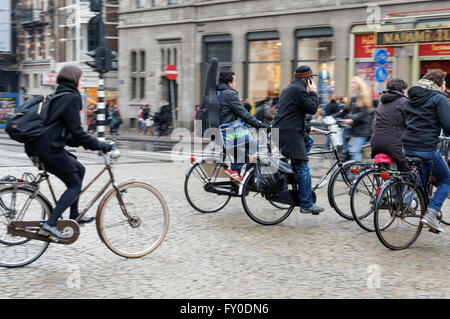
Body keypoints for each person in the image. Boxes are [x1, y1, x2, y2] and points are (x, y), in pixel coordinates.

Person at [24, 65, 113, 240]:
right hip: (48, 150)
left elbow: (67, 134)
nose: (82, 83)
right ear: (74, 79)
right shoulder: (72, 98)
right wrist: (100, 145)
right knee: (74, 184)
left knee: (79, 169)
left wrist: (83, 142)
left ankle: (74, 215)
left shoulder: (57, 96)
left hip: (37, 146)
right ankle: (50, 224)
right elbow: (77, 132)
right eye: (81, 79)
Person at [402, 69, 450, 233]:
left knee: (422, 181)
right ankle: (431, 212)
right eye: (444, 83)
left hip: (407, 146)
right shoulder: (439, 99)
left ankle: (412, 204)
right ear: (438, 83)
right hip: (426, 148)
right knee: (447, 179)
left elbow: (405, 120)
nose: (445, 87)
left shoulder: (413, 97)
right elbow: (448, 126)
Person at [272, 65, 324, 215]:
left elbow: (292, 113)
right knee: (304, 167)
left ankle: (293, 175)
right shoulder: (299, 90)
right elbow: (312, 108)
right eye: (311, 79)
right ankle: (306, 204)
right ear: (307, 79)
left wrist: (307, 129)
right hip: (289, 134)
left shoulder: (289, 88)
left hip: (284, 130)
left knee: (309, 141)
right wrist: (314, 92)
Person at [217, 71, 269, 180]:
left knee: (240, 152)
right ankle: (236, 172)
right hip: (230, 132)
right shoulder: (229, 94)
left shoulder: (218, 92)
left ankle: (236, 182)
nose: (235, 84)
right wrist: (259, 125)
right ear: (229, 82)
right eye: (234, 81)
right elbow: (243, 113)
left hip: (219, 132)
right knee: (253, 146)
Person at [370, 79, 409, 171]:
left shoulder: (382, 102)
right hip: (393, 144)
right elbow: (410, 122)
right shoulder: (404, 102)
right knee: (408, 171)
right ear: (403, 90)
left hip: (376, 142)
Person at [333, 76, 373, 162]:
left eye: (354, 82)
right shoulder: (352, 96)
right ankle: (347, 156)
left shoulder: (364, 96)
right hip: (351, 126)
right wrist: (331, 117)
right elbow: (345, 111)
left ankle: (356, 170)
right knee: (341, 139)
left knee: (356, 150)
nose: (352, 84)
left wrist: (352, 119)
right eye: (351, 83)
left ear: (360, 84)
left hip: (362, 128)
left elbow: (363, 113)